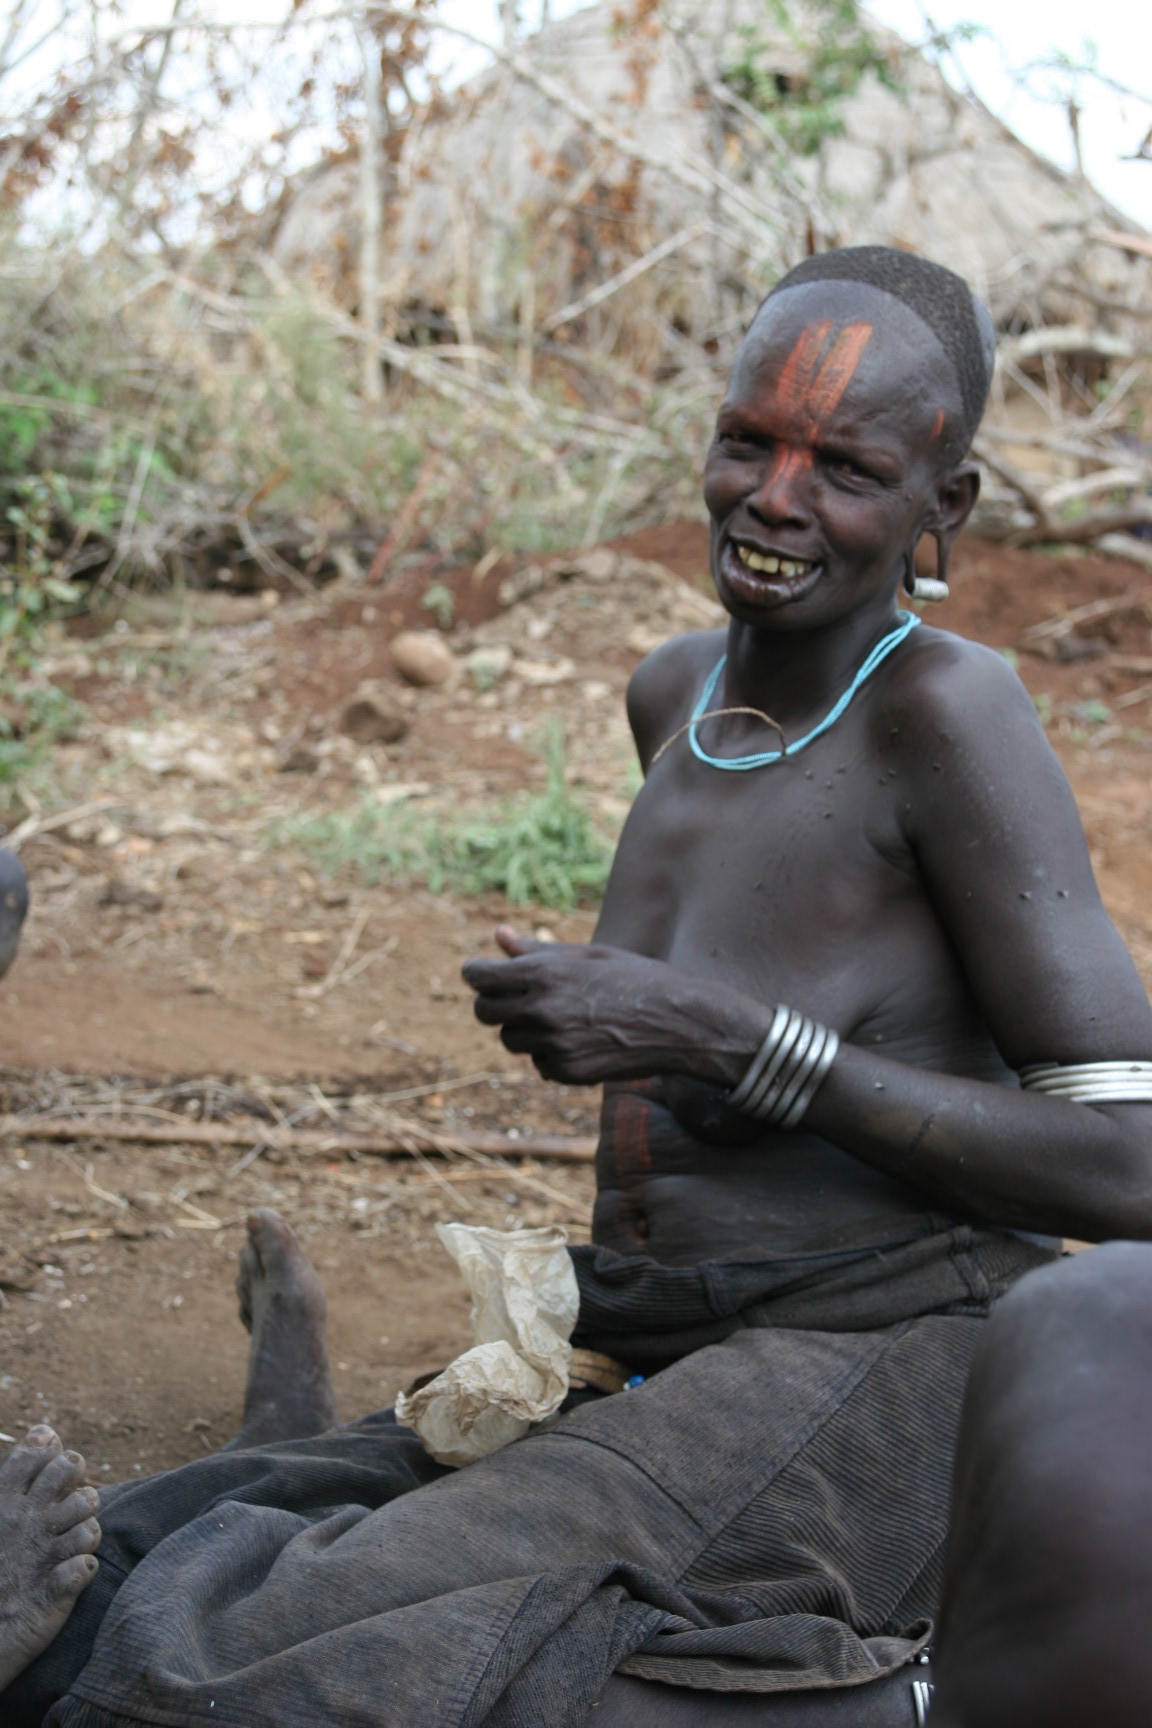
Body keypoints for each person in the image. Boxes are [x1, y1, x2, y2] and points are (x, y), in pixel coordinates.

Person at [3, 245, 1152, 1728]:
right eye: (748, 441)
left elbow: (1129, 1161)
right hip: (652, 1348)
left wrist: (726, 1037)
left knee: (279, 1658)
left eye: (846, 469)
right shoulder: (677, 695)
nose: (775, 499)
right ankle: (275, 1434)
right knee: (134, 1551)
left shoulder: (950, 714)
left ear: (947, 507)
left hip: (881, 1359)